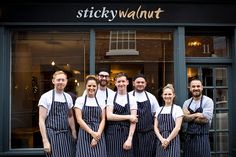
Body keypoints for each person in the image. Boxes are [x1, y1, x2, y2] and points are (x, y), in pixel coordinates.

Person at [38, 70, 77, 157]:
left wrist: (73, 131)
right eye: (58, 80)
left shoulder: (68, 97)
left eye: (63, 80)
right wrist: (45, 141)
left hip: (66, 136)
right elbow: (41, 120)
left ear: (66, 81)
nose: (61, 82)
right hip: (52, 136)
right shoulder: (45, 97)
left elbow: (70, 116)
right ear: (53, 81)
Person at [106, 72, 138, 157]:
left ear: (127, 82)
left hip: (126, 134)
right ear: (115, 83)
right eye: (119, 81)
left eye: (123, 81)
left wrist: (129, 139)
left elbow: (134, 121)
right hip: (112, 134)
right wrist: (129, 116)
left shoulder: (132, 98)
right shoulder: (111, 97)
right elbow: (109, 116)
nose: (121, 84)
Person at [74, 75, 107, 157]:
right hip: (84, 132)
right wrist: (92, 133)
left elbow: (103, 119)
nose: (91, 88)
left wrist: (97, 135)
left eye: (94, 86)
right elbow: (79, 120)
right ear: (85, 86)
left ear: (97, 87)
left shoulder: (101, 101)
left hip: (98, 133)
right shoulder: (80, 100)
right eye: (89, 85)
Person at [129, 73, 159, 157]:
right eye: (138, 82)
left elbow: (156, 114)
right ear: (133, 83)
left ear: (145, 84)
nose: (140, 84)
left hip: (148, 134)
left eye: (142, 82)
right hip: (132, 134)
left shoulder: (151, 97)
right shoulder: (128, 96)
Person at [182, 78, 214, 157]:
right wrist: (197, 115)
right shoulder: (187, 102)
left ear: (202, 87)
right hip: (189, 139)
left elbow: (206, 119)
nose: (196, 88)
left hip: (202, 138)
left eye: (198, 86)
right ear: (190, 88)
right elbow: (184, 119)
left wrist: (189, 116)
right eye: (193, 86)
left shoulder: (208, 101)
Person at [154, 84, 183, 157]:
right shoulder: (159, 109)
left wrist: (167, 140)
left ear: (173, 95)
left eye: (169, 94)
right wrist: (162, 140)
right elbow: (155, 127)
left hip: (173, 139)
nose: (167, 96)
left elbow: (177, 127)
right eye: (165, 94)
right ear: (162, 96)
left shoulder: (177, 109)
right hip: (160, 140)